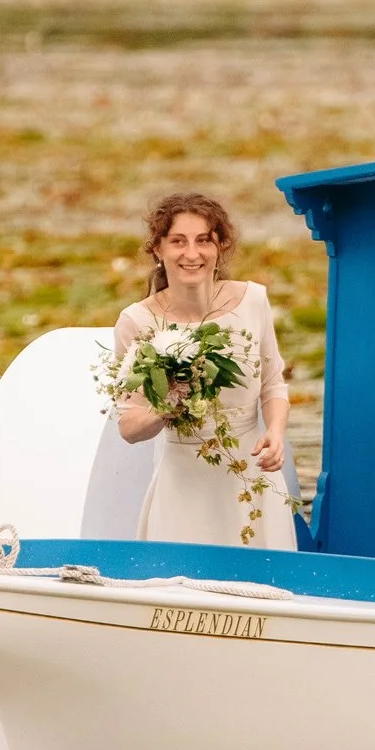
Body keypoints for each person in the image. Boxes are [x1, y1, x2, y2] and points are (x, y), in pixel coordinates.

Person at [111, 188, 298, 550]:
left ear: (221, 247)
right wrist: (167, 407)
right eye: (178, 241)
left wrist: (275, 433)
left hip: (251, 478)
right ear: (158, 249)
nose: (192, 254)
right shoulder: (137, 322)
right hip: (183, 484)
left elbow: (273, 384)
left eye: (203, 241)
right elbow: (129, 427)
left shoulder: (253, 300)